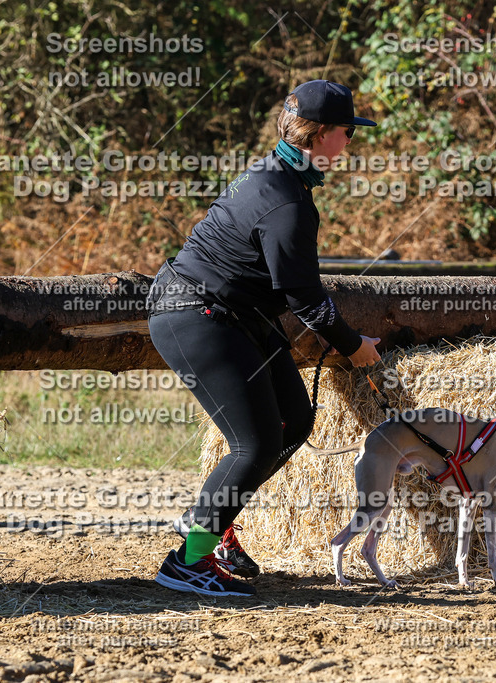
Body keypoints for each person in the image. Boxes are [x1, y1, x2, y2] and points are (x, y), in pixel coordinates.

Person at [146, 80, 381, 597]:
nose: (349, 143)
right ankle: (187, 560)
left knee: (295, 419)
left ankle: (214, 524)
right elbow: (306, 300)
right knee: (254, 445)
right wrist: (352, 346)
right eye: (346, 132)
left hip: (233, 313)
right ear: (318, 135)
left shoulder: (280, 178)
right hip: (194, 314)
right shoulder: (287, 202)